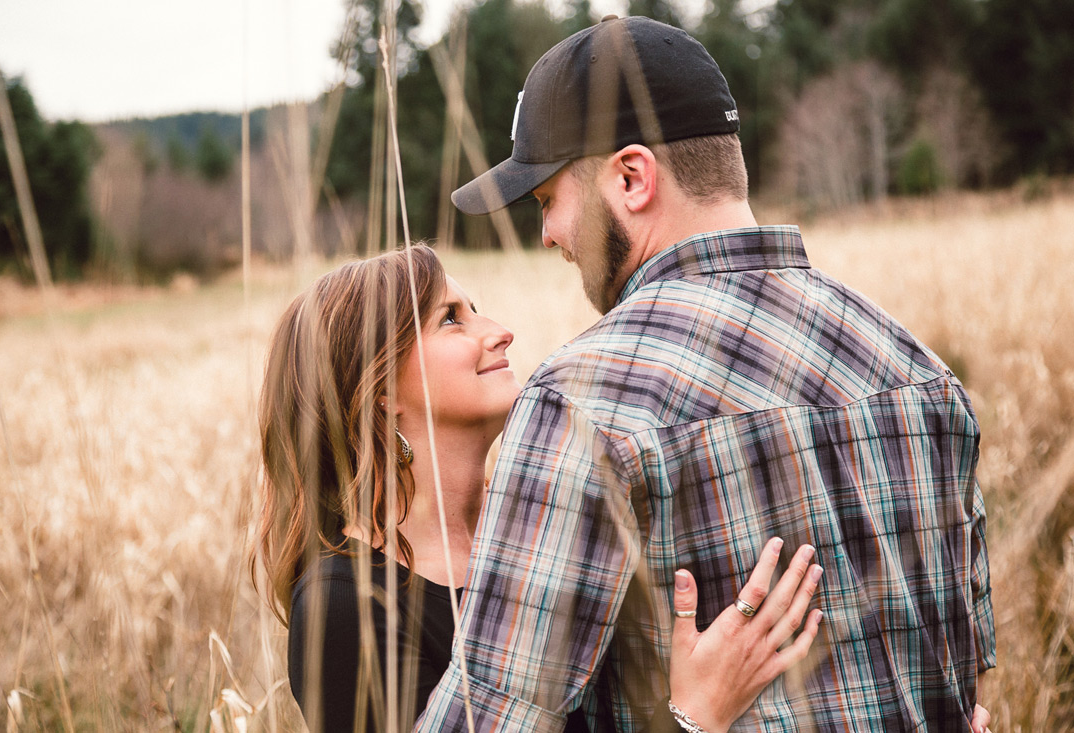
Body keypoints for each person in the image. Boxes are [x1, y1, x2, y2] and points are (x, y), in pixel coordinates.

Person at [416, 15, 996, 733]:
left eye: (547, 201)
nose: (548, 235)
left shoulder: (584, 405)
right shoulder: (926, 380)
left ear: (631, 179)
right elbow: (967, 691)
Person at [253, 245, 825, 732]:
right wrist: (697, 714)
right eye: (451, 319)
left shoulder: (540, 522)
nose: (500, 332)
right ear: (377, 390)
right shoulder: (344, 607)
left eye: (475, 309)